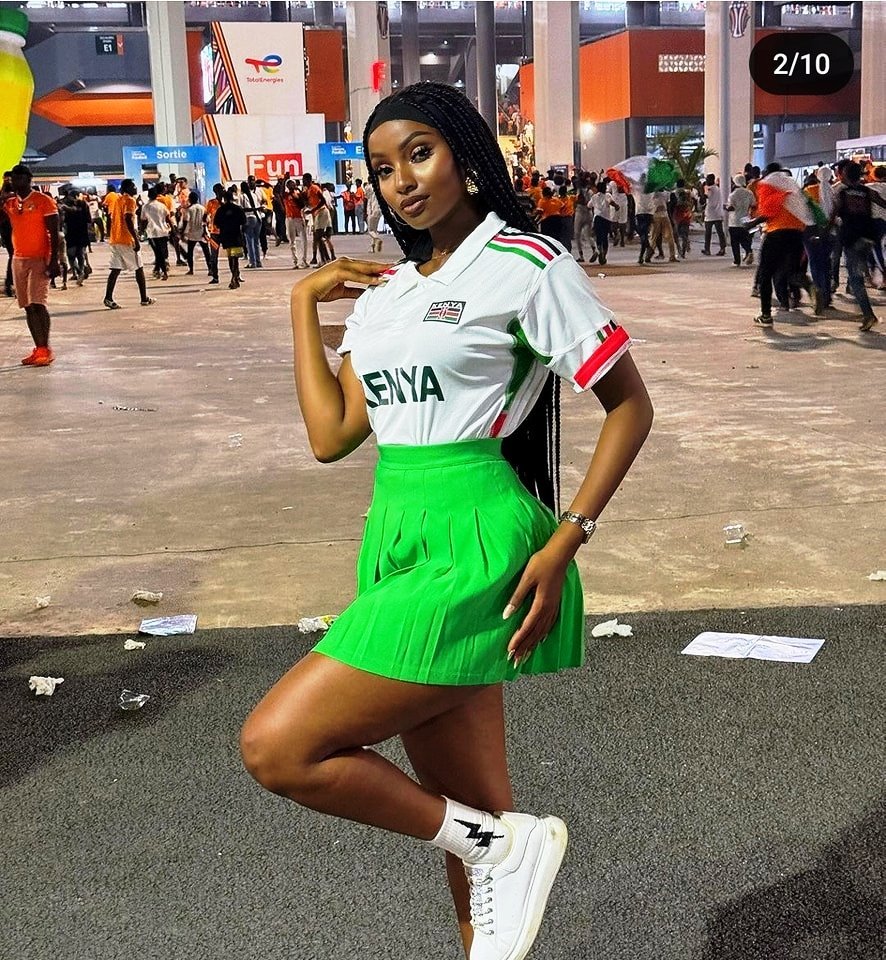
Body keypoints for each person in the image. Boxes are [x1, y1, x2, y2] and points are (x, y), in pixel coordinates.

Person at [240, 80, 653, 960]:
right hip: (395, 534)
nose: (401, 180)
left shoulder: (527, 266)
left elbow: (629, 405)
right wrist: (300, 307)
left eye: (419, 153)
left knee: (279, 747)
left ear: (466, 155)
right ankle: (498, 861)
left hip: (477, 539)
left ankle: (503, 849)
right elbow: (332, 436)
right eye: (382, 168)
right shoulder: (386, 294)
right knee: (473, 823)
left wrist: (568, 536)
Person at [0, 164, 61, 366]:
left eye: (18, 178)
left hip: (39, 258)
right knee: (27, 306)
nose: (15, 182)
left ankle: (45, 348)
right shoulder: (10, 203)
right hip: (19, 258)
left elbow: (55, 231)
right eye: (12, 179)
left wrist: (54, 260)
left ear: (28, 179)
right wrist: (3, 193)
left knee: (38, 303)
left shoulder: (43, 201)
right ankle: (39, 348)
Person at [749, 163, 812, 327]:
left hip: (776, 233)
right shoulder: (792, 184)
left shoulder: (767, 184)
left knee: (765, 274)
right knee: (791, 269)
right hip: (797, 233)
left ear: (767, 172)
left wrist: (751, 223)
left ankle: (766, 315)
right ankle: (804, 282)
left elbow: (768, 211)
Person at [829, 160, 884, 331]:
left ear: (845, 176)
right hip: (867, 237)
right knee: (858, 270)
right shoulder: (868, 191)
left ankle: (868, 315)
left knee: (855, 279)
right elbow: (883, 203)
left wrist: (825, 232)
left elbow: (833, 215)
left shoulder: (843, 193)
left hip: (852, 238)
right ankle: (865, 302)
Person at [103, 178, 154, 310]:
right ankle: (144, 298)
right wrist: (136, 239)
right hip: (126, 239)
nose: (135, 188)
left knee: (115, 269)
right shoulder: (130, 200)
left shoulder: (117, 200)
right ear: (127, 188)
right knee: (139, 268)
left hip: (115, 239)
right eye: (133, 186)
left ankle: (108, 297)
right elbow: (127, 218)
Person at [213, 186, 247, 289]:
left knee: (230, 258)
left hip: (226, 237)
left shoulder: (220, 210)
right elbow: (244, 222)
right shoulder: (238, 209)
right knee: (235, 259)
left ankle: (234, 276)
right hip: (236, 236)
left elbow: (216, 223)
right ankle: (234, 277)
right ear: (232, 198)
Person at [59, 189, 91, 286]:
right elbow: (88, 219)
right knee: (77, 254)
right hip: (79, 232)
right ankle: (80, 271)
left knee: (73, 254)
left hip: (74, 232)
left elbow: (67, 217)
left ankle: (80, 271)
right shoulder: (81, 205)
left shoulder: (79, 205)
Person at [141, 186, 174, 280]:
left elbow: (143, 220)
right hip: (163, 231)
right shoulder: (162, 206)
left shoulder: (146, 206)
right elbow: (168, 218)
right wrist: (173, 229)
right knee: (160, 252)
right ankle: (158, 270)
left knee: (158, 253)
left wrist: (141, 231)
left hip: (152, 233)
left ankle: (162, 272)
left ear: (148, 195)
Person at [725, 174, 755, 266]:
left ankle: (737, 261)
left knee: (735, 242)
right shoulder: (749, 193)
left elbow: (731, 207)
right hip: (745, 220)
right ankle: (748, 250)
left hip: (734, 221)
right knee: (744, 239)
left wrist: (725, 207)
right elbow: (753, 204)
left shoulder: (733, 194)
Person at [181, 190, 212, 277]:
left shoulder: (189, 209)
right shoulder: (203, 208)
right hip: (202, 232)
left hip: (192, 233)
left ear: (190, 199)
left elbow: (186, 221)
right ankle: (210, 268)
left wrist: (183, 232)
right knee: (206, 252)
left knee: (190, 252)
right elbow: (207, 220)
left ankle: (191, 269)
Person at [589, 180, 616, 265]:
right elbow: (611, 202)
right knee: (605, 237)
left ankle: (598, 250)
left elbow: (589, 205)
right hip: (606, 219)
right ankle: (603, 255)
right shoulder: (607, 195)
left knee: (598, 236)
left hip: (597, 218)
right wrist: (616, 206)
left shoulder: (594, 196)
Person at [283, 178, 309, 269]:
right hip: (289, 218)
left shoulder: (298, 194)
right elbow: (281, 192)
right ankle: (295, 261)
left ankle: (304, 260)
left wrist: (297, 195)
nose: (291, 186)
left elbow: (302, 204)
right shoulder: (286, 195)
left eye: (293, 184)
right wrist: (284, 179)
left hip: (299, 218)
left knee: (303, 239)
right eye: (289, 184)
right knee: (291, 240)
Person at [240, 179, 264, 268]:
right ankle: (258, 261)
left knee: (249, 241)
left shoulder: (242, 196)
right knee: (256, 241)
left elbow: (243, 209)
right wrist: (256, 209)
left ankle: (252, 262)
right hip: (258, 218)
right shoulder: (254, 195)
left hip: (249, 218)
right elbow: (258, 206)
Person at [648, 189, 677, 262]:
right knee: (655, 237)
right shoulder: (658, 193)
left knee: (656, 237)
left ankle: (672, 256)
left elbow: (667, 205)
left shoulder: (662, 193)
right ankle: (648, 256)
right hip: (659, 215)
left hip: (661, 215)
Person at [701, 173, 726, 256]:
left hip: (710, 213)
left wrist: (703, 189)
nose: (706, 181)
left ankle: (707, 249)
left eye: (707, 179)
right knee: (720, 232)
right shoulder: (717, 188)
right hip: (718, 213)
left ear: (711, 179)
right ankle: (722, 248)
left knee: (708, 233)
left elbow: (704, 198)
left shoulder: (709, 189)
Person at [364, 180, 384, 254]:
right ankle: (373, 248)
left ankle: (377, 239)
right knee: (374, 230)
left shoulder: (368, 187)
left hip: (371, 210)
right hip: (379, 210)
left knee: (370, 231)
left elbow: (366, 197)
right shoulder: (379, 187)